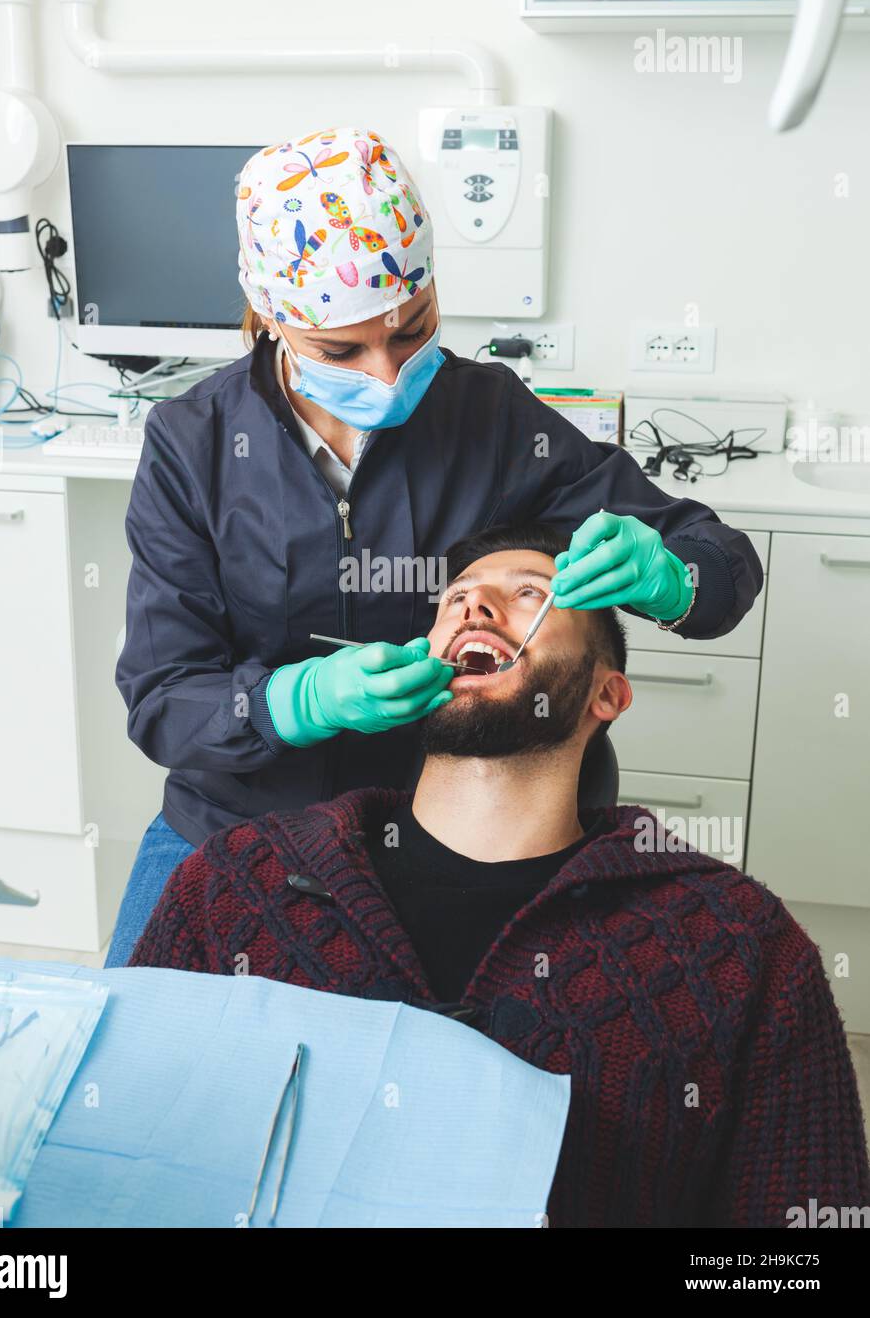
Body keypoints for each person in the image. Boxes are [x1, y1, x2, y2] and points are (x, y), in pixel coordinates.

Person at [108, 123, 763, 968]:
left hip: (466, 825)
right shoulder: (192, 444)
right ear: (271, 318)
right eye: (340, 350)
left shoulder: (487, 416)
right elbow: (164, 696)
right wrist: (294, 702)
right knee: (124, 1054)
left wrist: (678, 579)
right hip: (240, 821)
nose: (386, 375)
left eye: (412, 330)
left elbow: (718, 554)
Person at [128, 522, 869, 1228]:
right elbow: (122, 1164)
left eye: (527, 594)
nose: (473, 604)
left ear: (606, 695)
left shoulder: (739, 945)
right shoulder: (233, 882)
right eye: (455, 599)